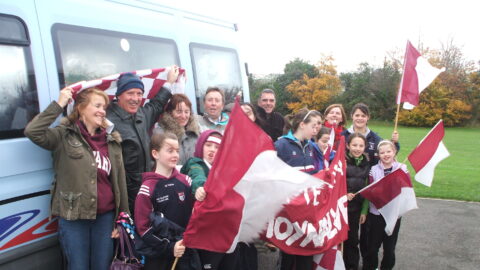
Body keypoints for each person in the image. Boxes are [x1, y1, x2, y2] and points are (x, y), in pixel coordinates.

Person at [24, 87, 129, 270]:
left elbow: (120, 183)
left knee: (102, 266)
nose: (102, 111)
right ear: (81, 108)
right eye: (97, 105)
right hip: (74, 218)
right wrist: (59, 104)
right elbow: (33, 132)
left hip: (105, 218)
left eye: (104, 107)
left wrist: (122, 220)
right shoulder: (64, 135)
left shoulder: (112, 141)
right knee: (78, 266)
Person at [107, 67, 179, 214]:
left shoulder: (142, 114)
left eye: (139, 93)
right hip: (123, 195)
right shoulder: (106, 119)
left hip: (146, 189)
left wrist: (169, 81)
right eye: (130, 93)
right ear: (119, 95)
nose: (135, 98)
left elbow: (158, 104)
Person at [134, 132, 199, 270]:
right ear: (155, 154)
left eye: (177, 151)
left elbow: (196, 213)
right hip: (160, 256)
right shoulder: (147, 188)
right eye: (170, 151)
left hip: (186, 251)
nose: (175, 155)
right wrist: (169, 247)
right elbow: (143, 228)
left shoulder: (186, 181)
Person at [181, 130, 239, 270]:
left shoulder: (224, 169)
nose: (212, 150)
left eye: (217, 147)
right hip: (203, 233)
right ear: (201, 146)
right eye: (208, 145)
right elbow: (197, 175)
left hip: (223, 232)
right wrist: (200, 188)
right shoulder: (195, 162)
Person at [274, 108, 322, 270]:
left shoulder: (310, 146)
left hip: (306, 212)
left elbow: (312, 173)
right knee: (288, 257)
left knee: (305, 257)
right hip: (288, 213)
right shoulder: (280, 145)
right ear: (302, 124)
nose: (317, 129)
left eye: (318, 126)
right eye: (314, 125)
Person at [361, 140, 408, 270]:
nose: (386, 154)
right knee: (372, 246)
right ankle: (371, 267)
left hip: (394, 214)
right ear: (378, 155)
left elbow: (406, 188)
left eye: (389, 151)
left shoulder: (401, 168)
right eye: (382, 152)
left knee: (389, 247)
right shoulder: (374, 170)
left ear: (394, 152)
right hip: (377, 213)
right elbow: (371, 190)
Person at [343, 133, 370, 270]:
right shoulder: (342, 161)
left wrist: (364, 210)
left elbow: (368, 190)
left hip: (356, 209)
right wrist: (343, 195)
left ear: (365, 147)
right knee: (339, 239)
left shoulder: (367, 165)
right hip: (340, 208)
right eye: (354, 145)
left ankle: (351, 266)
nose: (357, 148)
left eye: (361, 145)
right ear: (348, 145)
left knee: (353, 239)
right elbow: (334, 184)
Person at [153, 93, 200, 165]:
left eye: (186, 112)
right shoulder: (160, 134)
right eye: (179, 111)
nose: (183, 116)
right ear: (170, 112)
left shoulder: (196, 134)